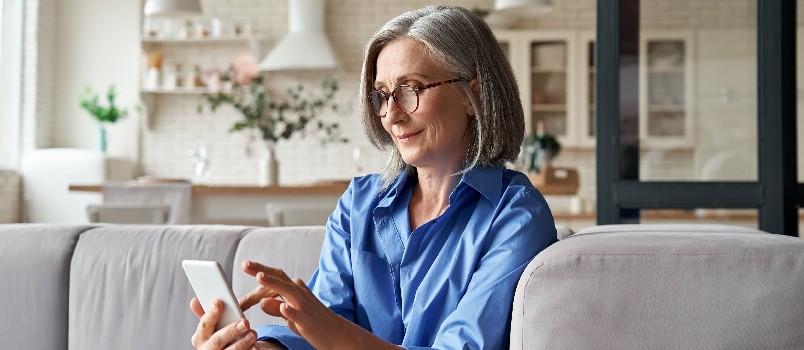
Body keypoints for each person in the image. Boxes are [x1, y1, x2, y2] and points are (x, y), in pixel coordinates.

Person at [190, 5, 557, 350]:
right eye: (382, 96)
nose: (391, 115)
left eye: (411, 89)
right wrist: (265, 347)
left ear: (471, 95)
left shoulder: (516, 216)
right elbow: (322, 327)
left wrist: (333, 333)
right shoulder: (358, 203)